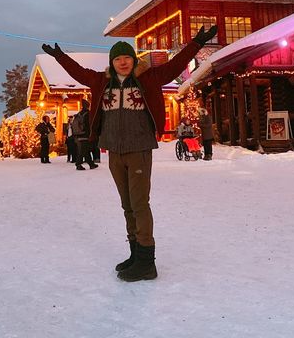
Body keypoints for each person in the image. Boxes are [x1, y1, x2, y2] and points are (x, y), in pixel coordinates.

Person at [41, 24, 217, 282]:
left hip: (139, 148)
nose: (123, 63)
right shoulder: (101, 81)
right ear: (112, 62)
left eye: (127, 58)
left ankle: (147, 261)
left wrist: (197, 43)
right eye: (118, 59)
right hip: (114, 150)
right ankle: (135, 253)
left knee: (139, 203)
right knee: (127, 205)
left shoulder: (149, 78)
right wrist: (60, 57)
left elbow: (176, 64)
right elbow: (78, 73)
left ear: (133, 60)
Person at [71, 100, 98, 171]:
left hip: (78, 134)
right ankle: (78, 164)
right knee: (82, 150)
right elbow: (88, 125)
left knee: (85, 150)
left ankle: (91, 164)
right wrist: (90, 134)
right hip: (84, 134)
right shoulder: (87, 114)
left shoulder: (79, 114)